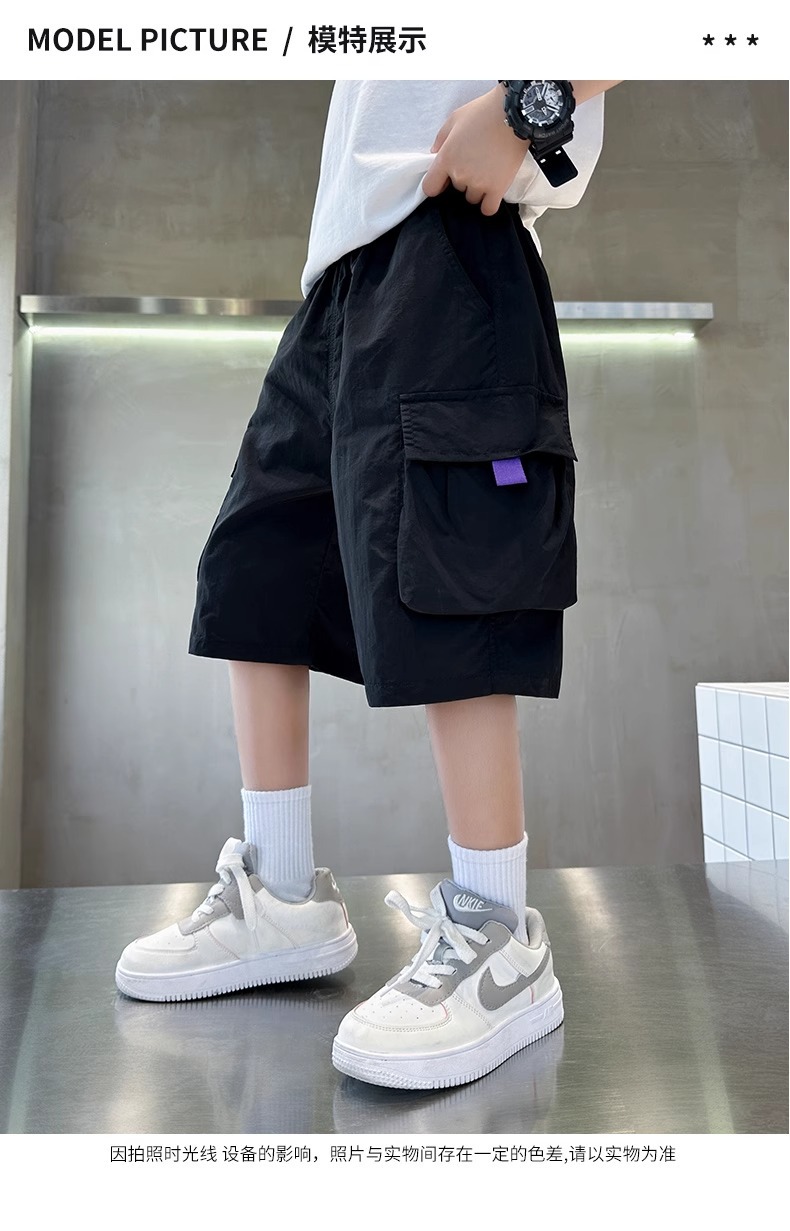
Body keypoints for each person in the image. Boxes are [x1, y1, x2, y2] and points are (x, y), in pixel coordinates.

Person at [115, 79, 623, 1090]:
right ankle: (282, 896)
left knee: (452, 570)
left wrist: (530, 104)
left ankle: (499, 938)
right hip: (341, 275)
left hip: (454, 238)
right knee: (255, 570)